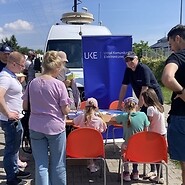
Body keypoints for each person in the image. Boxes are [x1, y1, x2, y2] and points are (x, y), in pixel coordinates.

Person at [22, 50, 71, 185]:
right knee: (58, 165)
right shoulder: (59, 85)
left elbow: (25, 106)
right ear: (57, 67)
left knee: (41, 165)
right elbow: (65, 110)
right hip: (55, 127)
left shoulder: (32, 83)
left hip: (35, 126)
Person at [0, 51, 31, 185]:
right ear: (14, 64)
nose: (23, 68)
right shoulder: (5, 77)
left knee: (14, 148)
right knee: (11, 149)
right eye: (21, 65)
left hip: (15, 118)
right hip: (10, 120)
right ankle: (11, 178)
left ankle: (14, 170)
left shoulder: (10, 75)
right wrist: (8, 114)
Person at [161, 24, 185, 185]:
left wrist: (182, 92)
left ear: (178, 38)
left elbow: (167, 78)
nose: (170, 48)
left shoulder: (178, 57)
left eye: (170, 44)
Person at [111, 97, 150, 181]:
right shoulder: (143, 115)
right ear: (136, 106)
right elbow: (146, 131)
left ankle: (126, 172)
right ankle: (135, 171)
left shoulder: (124, 116)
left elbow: (113, 119)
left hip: (128, 146)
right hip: (141, 145)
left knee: (123, 148)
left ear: (125, 106)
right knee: (135, 150)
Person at [73, 97, 107, 173]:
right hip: (96, 146)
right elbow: (104, 129)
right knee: (92, 142)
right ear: (96, 108)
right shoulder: (99, 120)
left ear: (85, 107)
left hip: (81, 145)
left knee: (87, 142)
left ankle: (90, 162)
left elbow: (74, 122)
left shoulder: (82, 117)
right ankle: (91, 163)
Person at [142, 88, 167, 184]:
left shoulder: (150, 109)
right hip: (162, 133)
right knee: (158, 154)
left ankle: (159, 176)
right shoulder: (160, 107)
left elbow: (148, 122)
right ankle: (155, 172)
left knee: (154, 155)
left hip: (154, 135)